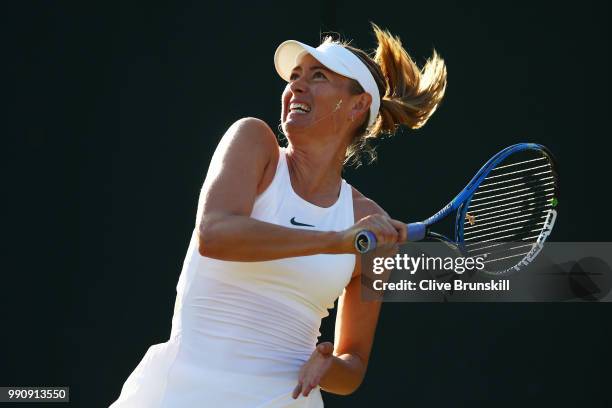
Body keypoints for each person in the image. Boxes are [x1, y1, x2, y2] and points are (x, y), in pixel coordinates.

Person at [109, 23, 447, 407]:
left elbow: (352, 367)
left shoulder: (369, 224)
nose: (296, 87)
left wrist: (327, 367)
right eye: (295, 77)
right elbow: (215, 234)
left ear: (357, 106)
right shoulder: (253, 141)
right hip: (181, 395)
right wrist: (334, 241)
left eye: (318, 76)